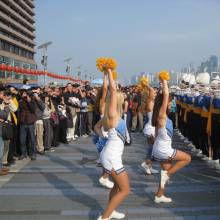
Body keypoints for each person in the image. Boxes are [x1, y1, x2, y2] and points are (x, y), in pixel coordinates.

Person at [96, 69, 130, 220]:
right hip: (112, 157)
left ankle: (111, 210)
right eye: (119, 96)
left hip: (110, 154)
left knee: (117, 186)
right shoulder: (112, 114)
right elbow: (111, 89)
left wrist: (103, 136)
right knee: (125, 189)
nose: (122, 96)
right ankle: (104, 217)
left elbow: (96, 127)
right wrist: (109, 71)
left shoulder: (111, 116)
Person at [151, 77, 191, 203]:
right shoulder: (162, 115)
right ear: (166, 101)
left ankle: (159, 195)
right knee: (187, 158)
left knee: (166, 169)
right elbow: (166, 95)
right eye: (171, 101)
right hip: (164, 150)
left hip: (158, 148)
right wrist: (164, 81)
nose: (172, 103)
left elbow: (156, 135)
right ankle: (166, 176)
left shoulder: (160, 116)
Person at [141, 85, 159, 175]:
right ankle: (146, 164)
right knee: (153, 149)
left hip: (152, 128)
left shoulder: (152, 102)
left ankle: (149, 166)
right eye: (154, 93)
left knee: (151, 149)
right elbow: (151, 89)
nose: (155, 94)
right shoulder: (150, 102)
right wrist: (146, 84)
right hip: (150, 129)